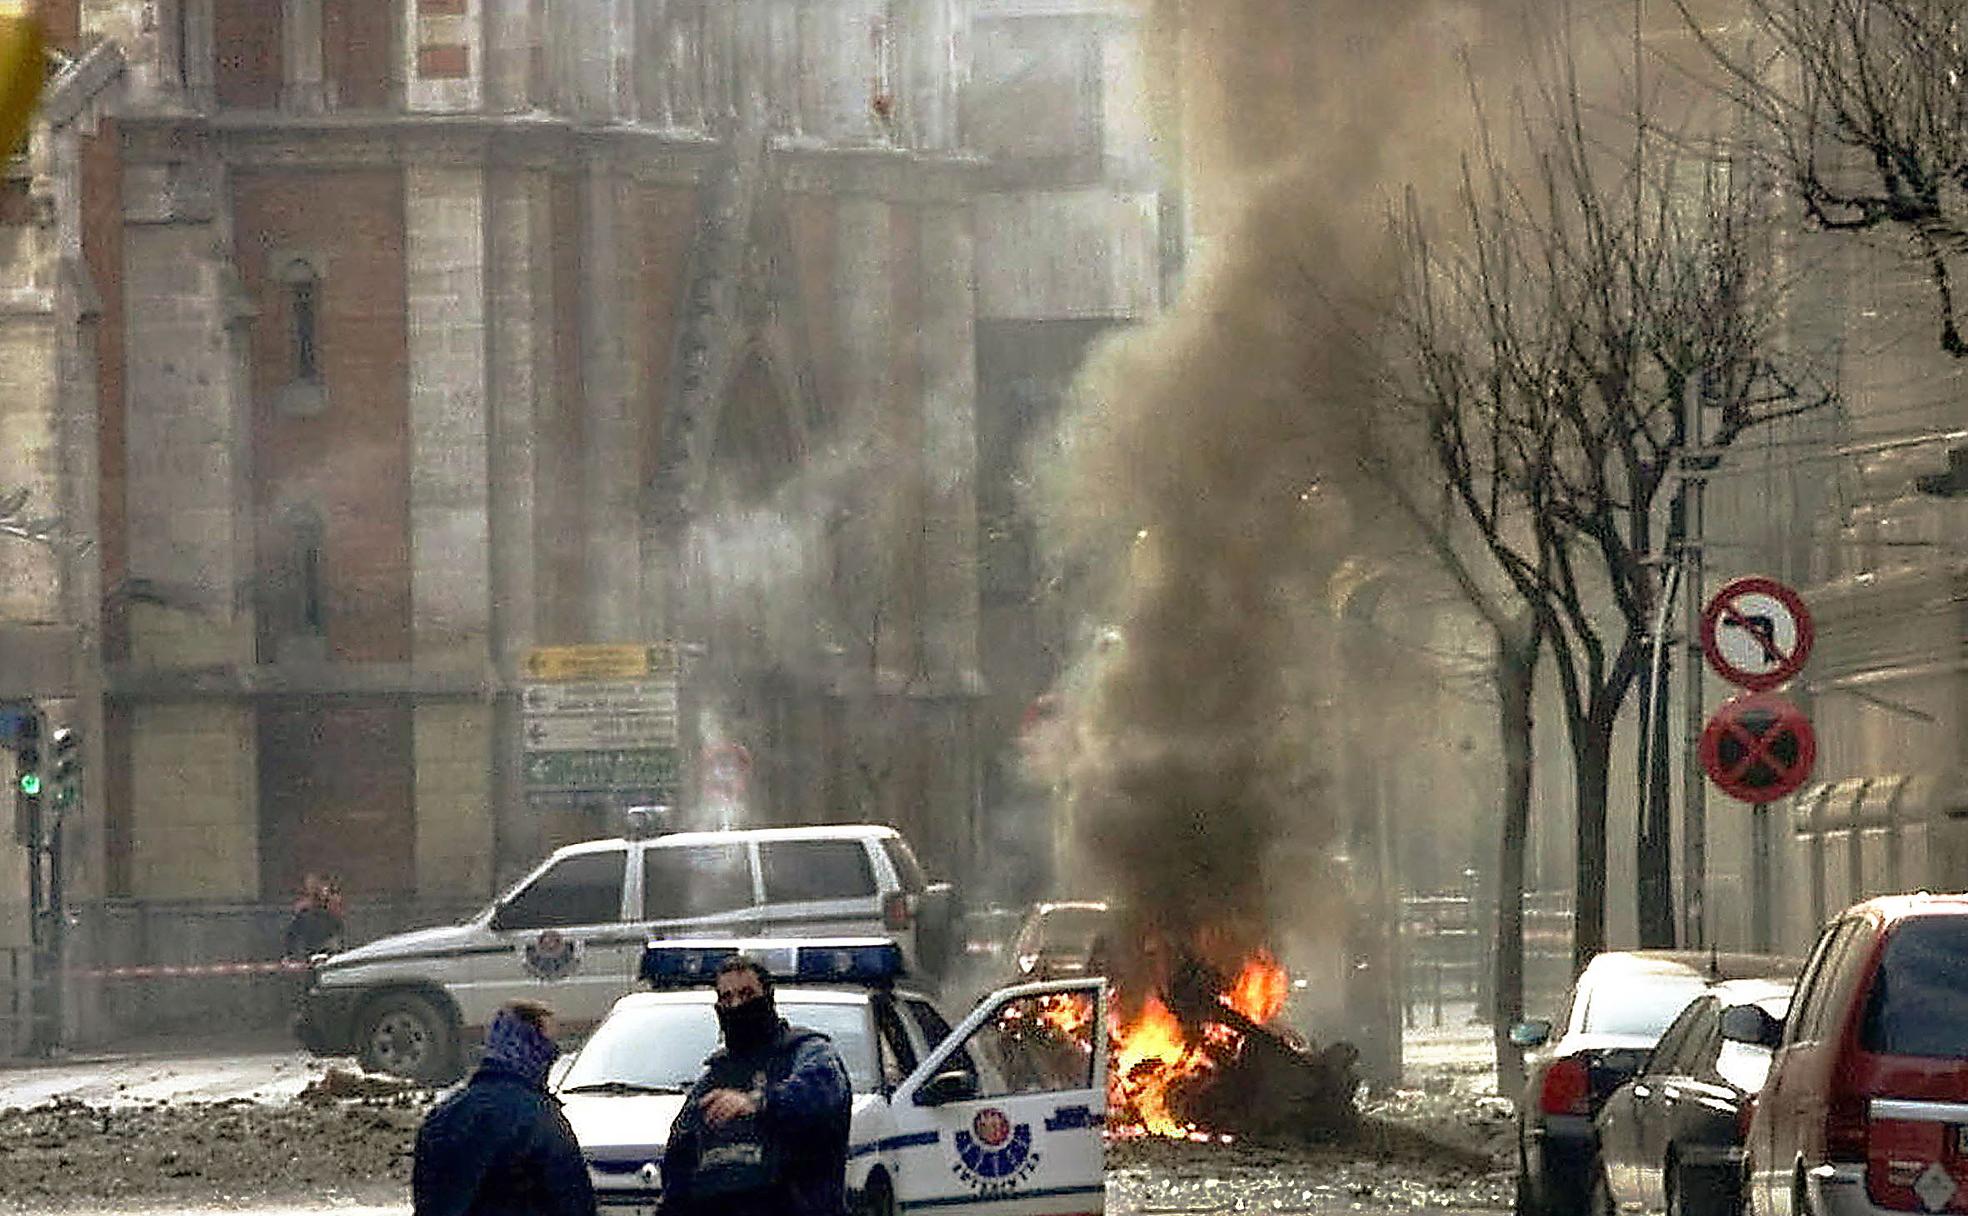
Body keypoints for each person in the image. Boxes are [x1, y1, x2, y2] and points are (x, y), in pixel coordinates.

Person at [659, 955, 853, 1216]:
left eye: (747, 994)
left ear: (768, 997)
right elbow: (680, 1157)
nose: (737, 1005)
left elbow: (822, 1092)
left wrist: (757, 1103)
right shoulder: (715, 1076)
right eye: (727, 998)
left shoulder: (806, 1052)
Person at [412, 1000, 596, 1216]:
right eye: (548, 1048)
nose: (551, 1058)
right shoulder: (540, 1121)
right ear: (531, 1047)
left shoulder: (443, 1117)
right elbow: (572, 1202)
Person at [283, 872, 346, 959]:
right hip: (306, 948)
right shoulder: (303, 915)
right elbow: (292, 937)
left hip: (328, 947)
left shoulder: (333, 915)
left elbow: (337, 933)